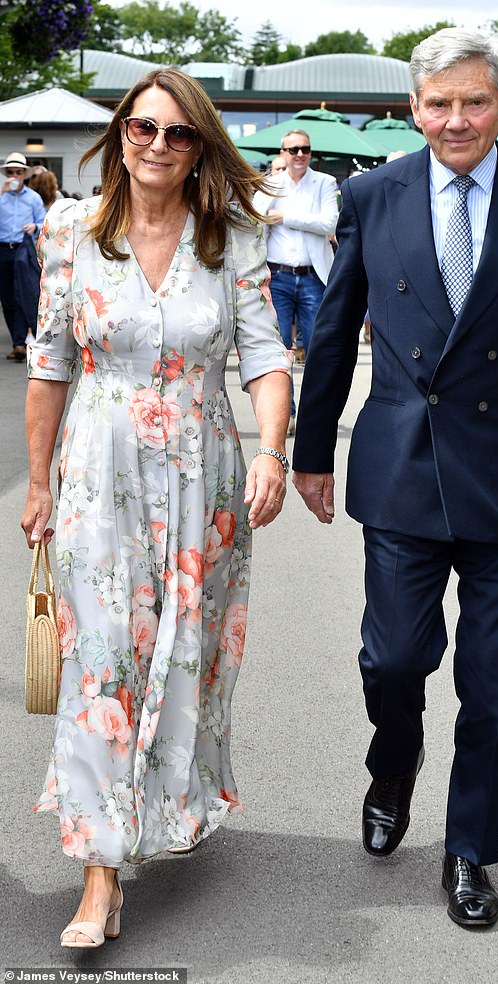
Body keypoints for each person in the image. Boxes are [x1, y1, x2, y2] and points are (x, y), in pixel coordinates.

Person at [292, 28, 498, 928]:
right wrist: (312, 449)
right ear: (414, 108)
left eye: (475, 102)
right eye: (439, 103)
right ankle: (393, 761)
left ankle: (471, 849)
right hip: (400, 470)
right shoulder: (372, 194)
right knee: (395, 659)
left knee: (493, 680)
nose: (457, 120)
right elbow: (334, 328)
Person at [21, 67, 291, 950]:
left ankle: (165, 805)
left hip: (200, 478)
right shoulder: (69, 232)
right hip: (98, 472)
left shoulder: (235, 237)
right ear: (119, 135)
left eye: (179, 134)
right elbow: (50, 363)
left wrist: (272, 450)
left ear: (201, 145)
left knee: (181, 657)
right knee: (101, 663)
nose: (159, 147)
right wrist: (37, 485)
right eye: (143, 130)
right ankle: (100, 875)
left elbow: (263, 355)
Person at [253, 130, 338, 434]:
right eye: (293, 150)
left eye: (305, 149)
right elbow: (254, 219)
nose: (299, 155)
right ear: (284, 152)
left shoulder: (324, 183)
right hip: (277, 277)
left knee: (317, 348)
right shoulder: (271, 184)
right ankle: (285, 414)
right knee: (279, 351)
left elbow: (329, 223)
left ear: (310, 152)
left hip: (313, 276)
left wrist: (285, 216)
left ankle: (314, 413)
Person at [0, 152, 45, 361]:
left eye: (19, 172)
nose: (14, 175)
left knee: (24, 293)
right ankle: (17, 341)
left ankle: (22, 341)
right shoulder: (1, 196)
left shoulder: (33, 198)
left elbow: (44, 222)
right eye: (11, 172)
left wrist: (35, 226)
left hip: (23, 248)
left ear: (24, 175)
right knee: (7, 297)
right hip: (3, 248)